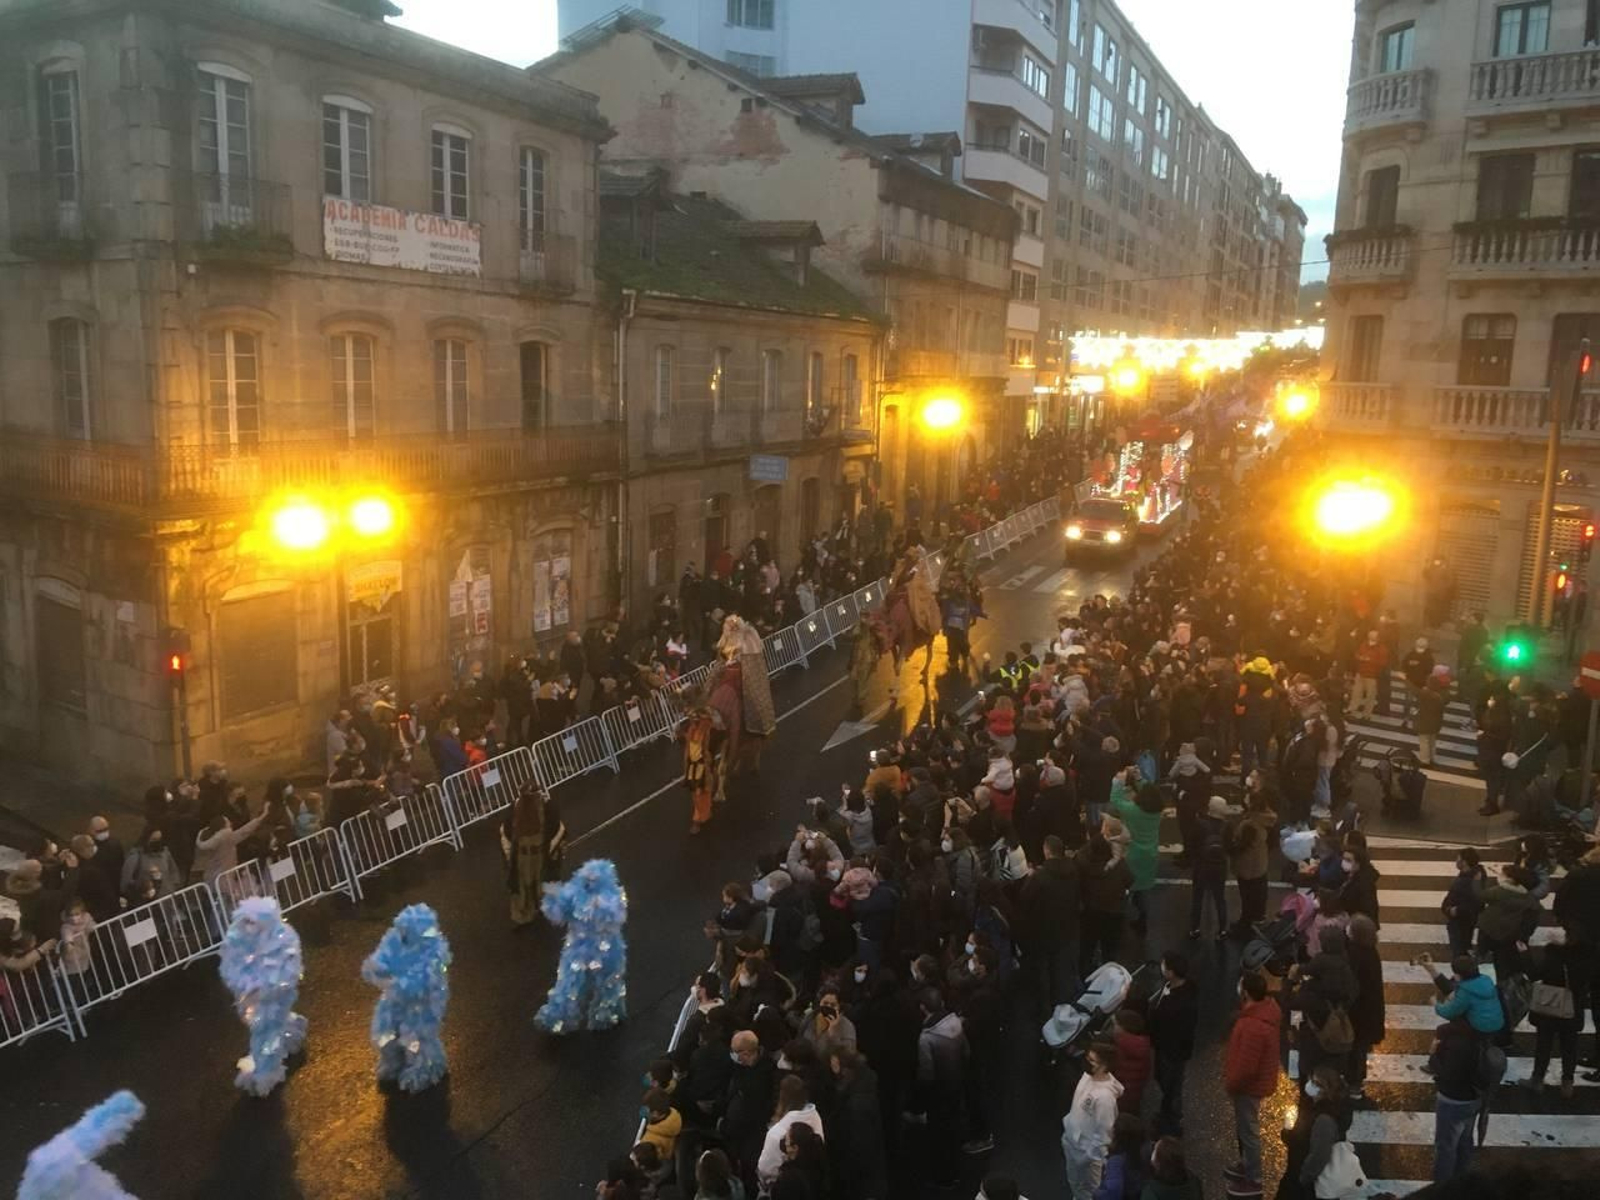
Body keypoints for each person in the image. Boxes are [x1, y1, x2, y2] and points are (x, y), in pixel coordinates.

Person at [1223, 970, 1281, 1197]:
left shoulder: (1252, 1026)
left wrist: (1232, 1084)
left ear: (1245, 992)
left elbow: (1247, 1067)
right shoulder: (1264, 1014)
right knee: (1246, 1129)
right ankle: (1246, 1164)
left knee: (1249, 1132)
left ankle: (1254, 1178)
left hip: (1248, 1087)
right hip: (1252, 1084)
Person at [1019, 835, 1082, 1016]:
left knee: (1042, 968)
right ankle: (1059, 1001)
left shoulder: (1040, 877)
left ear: (1046, 851)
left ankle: (1043, 1008)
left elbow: (1025, 900)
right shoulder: (1074, 871)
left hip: (1043, 929)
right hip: (1066, 928)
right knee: (1060, 969)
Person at [1277, 1065, 1352, 1200]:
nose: (1310, 1084)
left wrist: (1304, 1177)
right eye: (1311, 1079)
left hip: (1304, 1182)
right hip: (1296, 1171)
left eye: (1315, 1082)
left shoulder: (1324, 1120)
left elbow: (1319, 1154)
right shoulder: (1312, 1105)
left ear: (1325, 1090)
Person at [1060, 1040, 1123, 1200]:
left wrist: (1087, 1157)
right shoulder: (1088, 1076)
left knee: (1090, 1189)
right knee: (1075, 1183)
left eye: (1092, 1061)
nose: (1087, 1063)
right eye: (1088, 1058)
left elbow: (1104, 1135)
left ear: (1105, 1065)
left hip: (1086, 1154)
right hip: (1072, 1141)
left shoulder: (1105, 1098)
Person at [1430, 1011, 1485, 1185]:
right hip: (1474, 1097)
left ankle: (1443, 1189)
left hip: (1453, 1099)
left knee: (1446, 1146)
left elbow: (1448, 1073)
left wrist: (1433, 1055)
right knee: (1465, 1140)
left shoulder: (1455, 1041)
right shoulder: (1481, 1033)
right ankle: (1462, 1180)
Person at [1147, 951, 1198, 1136]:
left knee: (1171, 1085)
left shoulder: (1176, 1004)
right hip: (1174, 1050)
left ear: (1171, 972)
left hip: (1171, 1051)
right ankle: (1169, 1113)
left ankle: (1173, 1122)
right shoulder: (1184, 990)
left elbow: (1160, 1024)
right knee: (1169, 1083)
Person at [1110, 782, 1163, 934]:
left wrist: (1118, 781)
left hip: (1132, 855)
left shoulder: (1132, 811)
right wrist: (1140, 780)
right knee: (1143, 890)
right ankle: (1143, 918)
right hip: (1150, 855)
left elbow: (1115, 799)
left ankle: (1119, 918)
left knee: (1126, 890)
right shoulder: (1157, 812)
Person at [757, 1075, 824, 1192]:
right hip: (815, 1184)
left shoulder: (776, 1134)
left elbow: (765, 1169)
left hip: (784, 1188)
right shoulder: (816, 1117)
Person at [1346, 914, 1386, 1100]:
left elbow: (1352, 986)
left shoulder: (1356, 955)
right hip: (1369, 1011)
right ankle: (1354, 1081)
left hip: (1357, 1013)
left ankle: (1354, 1082)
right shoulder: (1370, 951)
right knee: (1359, 1047)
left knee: (1356, 1048)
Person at [1421, 953, 1505, 1036]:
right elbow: (1451, 989)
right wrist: (1431, 969)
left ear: (1458, 975)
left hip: (1481, 1029)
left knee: (1442, 1030)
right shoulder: (1486, 980)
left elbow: (1449, 1012)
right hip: (1497, 1024)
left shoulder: (1465, 992)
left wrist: (1436, 1004)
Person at [1187, 795, 1231, 942]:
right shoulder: (1227, 825)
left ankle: (1194, 928)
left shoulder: (1199, 824)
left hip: (1202, 865)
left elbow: (1191, 844)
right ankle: (1223, 929)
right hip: (1220, 866)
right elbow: (1229, 847)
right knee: (1220, 898)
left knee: (1197, 897)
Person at [1442, 849, 1487, 959]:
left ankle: (1463, 969)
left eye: (1458, 859)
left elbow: (1476, 902)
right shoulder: (1469, 875)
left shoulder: (1472, 879)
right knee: (1463, 946)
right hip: (1462, 919)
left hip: (1461, 920)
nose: (1456, 862)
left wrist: (1456, 910)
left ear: (1465, 862)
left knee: (1460, 950)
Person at [1093, 1114, 1146, 1200]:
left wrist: (1096, 1194)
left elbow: (1112, 1192)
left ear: (1118, 1134)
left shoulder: (1116, 1161)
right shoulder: (1138, 1154)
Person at [1110, 1008, 1151, 1116]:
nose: (1113, 1029)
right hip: (1133, 1093)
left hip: (1122, 1095)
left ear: (1124, 1028)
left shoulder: (1121, 1046)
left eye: (1115, 1025)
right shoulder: (1142, 1043)